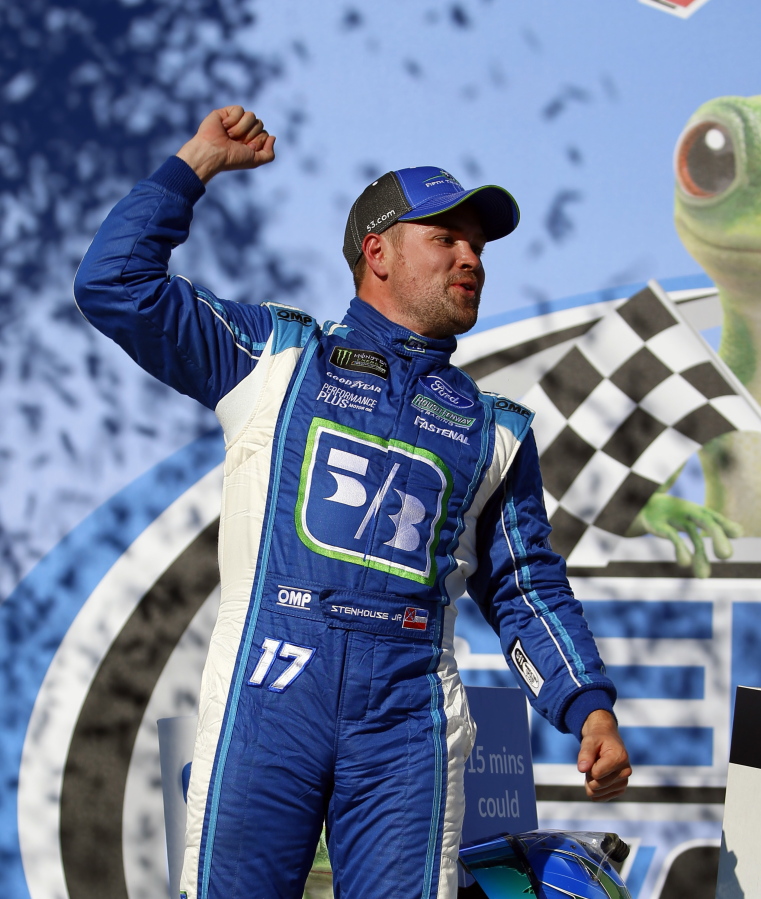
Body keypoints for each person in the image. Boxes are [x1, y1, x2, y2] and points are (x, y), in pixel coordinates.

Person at [74, 106, 630, 899]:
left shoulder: (493, 430)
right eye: (446, 238)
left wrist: (589, 710)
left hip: (408, 724)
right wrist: (195, 162)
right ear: (377, 251)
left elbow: (524, 587)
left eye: (477, 244)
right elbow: (114, 283)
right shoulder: (276, 358)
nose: (470, 257)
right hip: (271, 694)